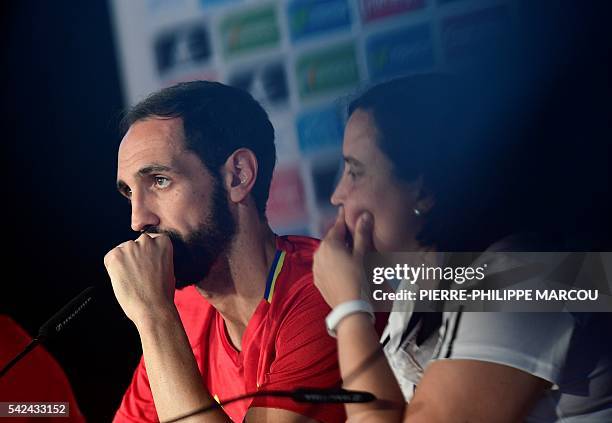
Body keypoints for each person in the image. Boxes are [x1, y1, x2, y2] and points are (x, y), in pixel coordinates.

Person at [312, 74, 612, 422]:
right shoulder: (427, 279)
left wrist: (349, 313)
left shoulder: (529, 271)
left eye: (355, 172)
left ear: (423, 190)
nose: (337, 195)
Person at [104, 81, 345, 423]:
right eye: (130, 193)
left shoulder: (323, 293)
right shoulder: (185, 312)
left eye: (159, 181)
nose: (138, 220)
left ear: (238, 175)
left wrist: (153, 317)